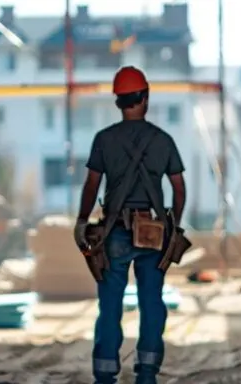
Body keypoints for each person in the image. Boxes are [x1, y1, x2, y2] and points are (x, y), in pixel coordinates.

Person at [73, 66, 187, 384]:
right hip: (153, 231)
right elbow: (179, 188)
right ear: (145, 97)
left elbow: (91, 185)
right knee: (152, 302)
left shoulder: (104, 140)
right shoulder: (163, 140)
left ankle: (106, 375)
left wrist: (82, 221)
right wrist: (173, 225)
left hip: (114, 232)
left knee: (110, 305)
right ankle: (147, 374)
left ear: (118, 102)